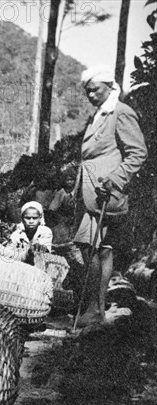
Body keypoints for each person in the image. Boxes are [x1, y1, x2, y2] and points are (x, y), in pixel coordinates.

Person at [73, 65, 147, 326]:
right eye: (87, 92)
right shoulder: (100, 114)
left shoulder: (121, 113)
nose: (90, 95)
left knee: (92, 246)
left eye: (94, 90)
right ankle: (95, 308)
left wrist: (114, 181)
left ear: (109, 86)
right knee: (98, 248)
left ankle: (94, 308)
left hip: (106, 192)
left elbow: (137, 153)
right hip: (90, 192)